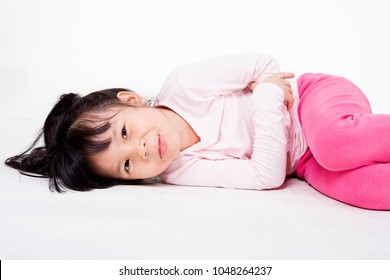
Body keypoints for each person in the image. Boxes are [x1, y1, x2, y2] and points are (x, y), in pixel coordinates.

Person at [5, 53, 390, 210]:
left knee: (336, 146)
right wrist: (266, 96)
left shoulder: (185, 85)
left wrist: (273, 90)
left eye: (124, 133)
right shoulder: (178, 171)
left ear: (132, 99)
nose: (139, 151)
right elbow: (267, 176)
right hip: (304, 163)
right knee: (360, 190)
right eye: (125, 166)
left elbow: (264, 66)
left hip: (310, 99)